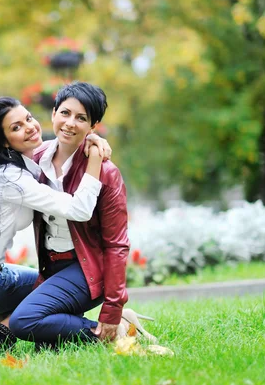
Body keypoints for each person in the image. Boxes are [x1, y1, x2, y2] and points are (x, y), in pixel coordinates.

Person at [0, 96, 111, 350]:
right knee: (52, 291)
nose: (30, 127)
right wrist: (95, 159)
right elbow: (79, 209)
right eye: (16, 127)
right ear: (3, 141)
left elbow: (57, 148)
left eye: (29, 118)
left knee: (47, 291)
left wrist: (91, 138)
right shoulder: (12, 179)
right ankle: (101, 331)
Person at [8, 82, 156, 350]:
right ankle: (113, 322)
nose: (70, 123)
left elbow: (116, 244)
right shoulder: (34, 159)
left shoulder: (106, 172)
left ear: (93, 126)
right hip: (51, 267)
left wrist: (112, 309)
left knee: (23, 322)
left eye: (82, 118)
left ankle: (115, 329)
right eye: (65, 113)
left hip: (87, 270)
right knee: (47, 341)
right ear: (53, 114)